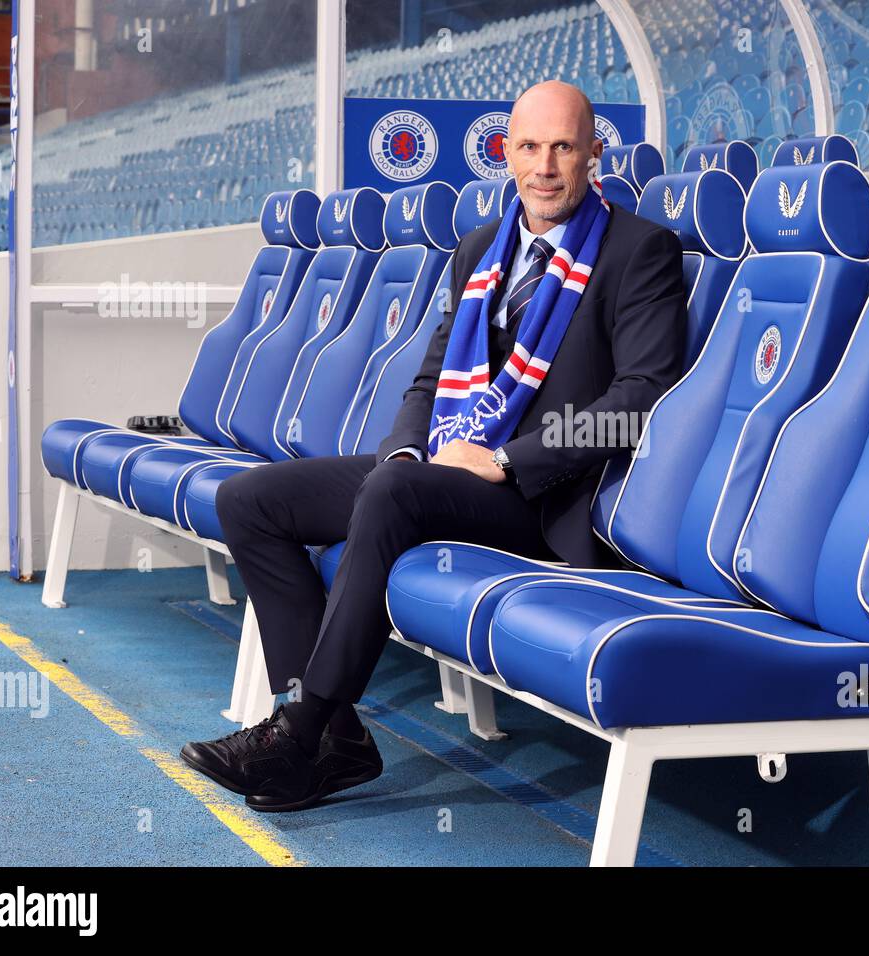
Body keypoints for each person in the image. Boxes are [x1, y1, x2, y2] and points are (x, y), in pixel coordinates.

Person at [180, 80, 688, 811]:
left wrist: (512, 458)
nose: (545, 165)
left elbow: (639, 401)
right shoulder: (481, 249)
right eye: (529, 147)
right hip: (440, 472)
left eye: (563, 147)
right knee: (251, 500)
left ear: (593, 154)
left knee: (391, 493)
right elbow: (429, 378)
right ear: (506, 154)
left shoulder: (639, 250)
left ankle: (300, 732)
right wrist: (406, 452)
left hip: (539, 499)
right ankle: (338, 742)